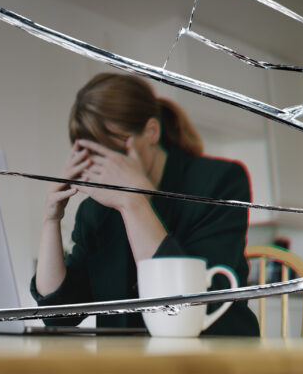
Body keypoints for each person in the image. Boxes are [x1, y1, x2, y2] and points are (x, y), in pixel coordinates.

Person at [30, 73, 259, 336]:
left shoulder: (219, 181)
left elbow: (183, 309)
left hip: (216, 353)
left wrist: (134, 202)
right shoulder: (95, 212)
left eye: (113, 152)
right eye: (94, 155)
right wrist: (51, 218)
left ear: (151, 131)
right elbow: (58, 313)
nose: (107, 168)